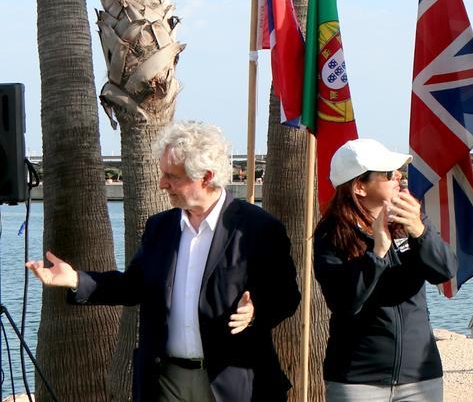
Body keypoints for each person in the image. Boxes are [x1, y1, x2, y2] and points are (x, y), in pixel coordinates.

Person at [26, 121, 300, 402]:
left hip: (233, 382)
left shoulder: (258, 228)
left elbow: (287, 298)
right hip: (164, 382)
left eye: (173, 177)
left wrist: (255, 311)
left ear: (206, 177)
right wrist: (75, 279)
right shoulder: (160, 227)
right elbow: (133, 286)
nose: (162, 183)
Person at [314, 138, 456, 402]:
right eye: (388, 174)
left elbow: (445, 271)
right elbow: (344, 302)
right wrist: (377, 252)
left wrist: (419, 233)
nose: (398, 177)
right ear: (359, 187)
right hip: (357, 379)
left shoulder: (412, 219)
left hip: (420, 375)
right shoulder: (331, 233)